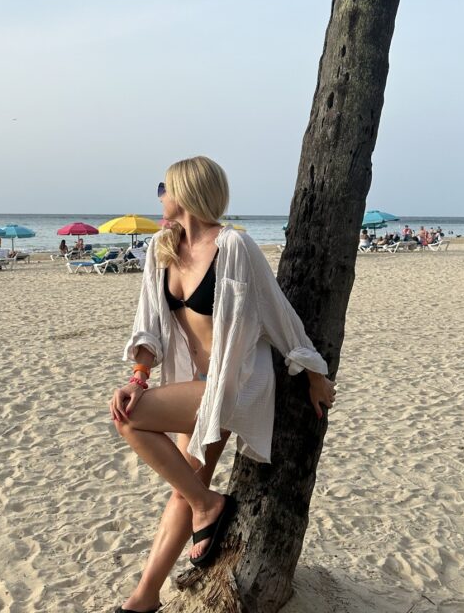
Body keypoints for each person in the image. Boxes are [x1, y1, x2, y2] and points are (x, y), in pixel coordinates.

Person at [110, 156, 335, 613]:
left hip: (234, 384)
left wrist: (315, 372)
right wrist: (138, 376)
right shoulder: (162, 248)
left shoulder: (234, 246)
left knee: (131, 420)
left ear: (186, 192)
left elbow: (278, 313)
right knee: (186, 486)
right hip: (191, 383)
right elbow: (148, 325)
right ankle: (145, 596)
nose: (159, 196)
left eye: (163, 186)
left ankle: (208, 506)